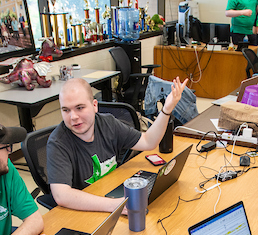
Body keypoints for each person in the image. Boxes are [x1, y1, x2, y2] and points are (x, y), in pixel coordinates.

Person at [47, 77, 188, 212]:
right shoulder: (58, 143)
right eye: (66, 110)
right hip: (86, 209)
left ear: (94, 105)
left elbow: (148, 141)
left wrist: (166, 110)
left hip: (111, 193)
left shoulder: (108, 123)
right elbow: (62, 195)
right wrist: (115, 205)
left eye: (79, 108)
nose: (73, 117)